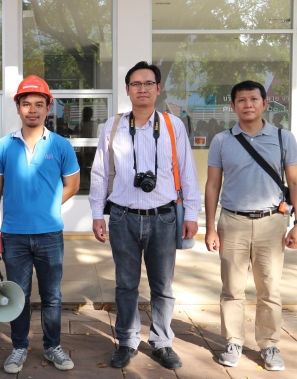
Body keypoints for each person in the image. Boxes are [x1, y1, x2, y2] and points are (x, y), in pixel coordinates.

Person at [89, 61, 201, 371]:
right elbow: (99, 173)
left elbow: (187, 172)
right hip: (122, 217)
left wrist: (192, 214)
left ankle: (162, 342)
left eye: (148, 83)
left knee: (162, 286)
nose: (142, 89)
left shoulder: (172, 125)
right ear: (127, 90)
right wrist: (97, 213)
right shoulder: (112, 126)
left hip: (163, 218)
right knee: (125, 285)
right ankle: (127, 340)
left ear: (158, 88)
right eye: (136, 84)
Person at [205, 80, 297, 371]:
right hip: (232, 222)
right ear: (233, 106)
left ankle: (269, 345)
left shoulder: (283, 137)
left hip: (271, 223)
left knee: (270, 289)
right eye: (241, 100)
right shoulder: (222, 140)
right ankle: (233, 341)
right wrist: (210, 227)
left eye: (253, 99)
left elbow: (296, 182)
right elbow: (212, 185)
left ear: (264, 103)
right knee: (232, 288)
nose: (247, 104)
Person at [0, 75, 80, 374]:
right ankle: (18, 347)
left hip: (50, 234)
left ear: (48, 108)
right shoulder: (3, 146)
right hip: (13, 235)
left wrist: (47, 205)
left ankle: (52, 346)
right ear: (18, 107)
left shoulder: (61, 145)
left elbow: (73, 185)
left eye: (39, 104)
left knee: (52, 295)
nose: (33, 109)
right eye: (26, 104)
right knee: (18, 295)